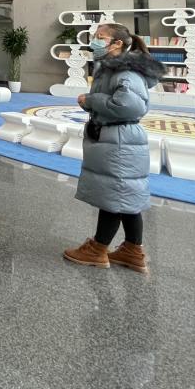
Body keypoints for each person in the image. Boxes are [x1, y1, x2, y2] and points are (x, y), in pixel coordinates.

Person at [64, 23, 163, 274]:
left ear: (117, 43)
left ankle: (98, 249)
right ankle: (132, 250)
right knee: (124, 195)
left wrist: (91, 101)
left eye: (100, 37)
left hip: (119, 139)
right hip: (117, 138)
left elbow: (129, 106)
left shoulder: (125, 71)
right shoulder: (112, 68)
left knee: (114, 195)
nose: (95, 41)